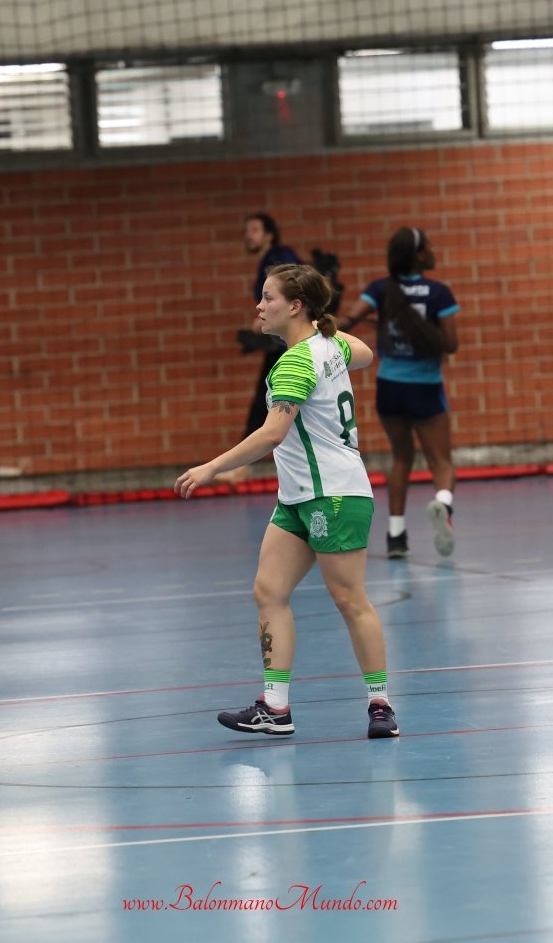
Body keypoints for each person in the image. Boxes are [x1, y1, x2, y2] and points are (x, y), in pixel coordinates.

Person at [176, 262, 399, 739]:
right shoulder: (330, 344)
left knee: (350, 599)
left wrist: (212, 467)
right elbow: (364, 352)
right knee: (268, 591)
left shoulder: (296, 362)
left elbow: (272, 433)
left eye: (268, 298)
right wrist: (324, 332)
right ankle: (275, 708)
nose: (259, 306)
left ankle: (380, 704)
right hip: (298, 496)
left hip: (332, 494)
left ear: (295, 306)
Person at [337, 226, 461, 558]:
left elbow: (348, 320)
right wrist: (425, 333)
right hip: (426, 387)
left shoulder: (380, 289)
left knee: (401, 457)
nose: (433, 251)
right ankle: (443, 504)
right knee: (441, 460)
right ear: (418, 255)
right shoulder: (439, 294)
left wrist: (319, 324)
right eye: (429, 247)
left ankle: (395, 536)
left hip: (390, 387)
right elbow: (451, 344)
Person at [217, 213, 302, 484]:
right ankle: (243, 466)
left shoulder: (281, 256)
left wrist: (269, 316)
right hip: (280, 341)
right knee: (265, 401)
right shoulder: (267, 261)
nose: (248, 235)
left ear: (269, 234)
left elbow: (293, 287)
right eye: (247, 230)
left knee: (266, 402)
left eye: (254, 230)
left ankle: (241, 466)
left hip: (288, 343)